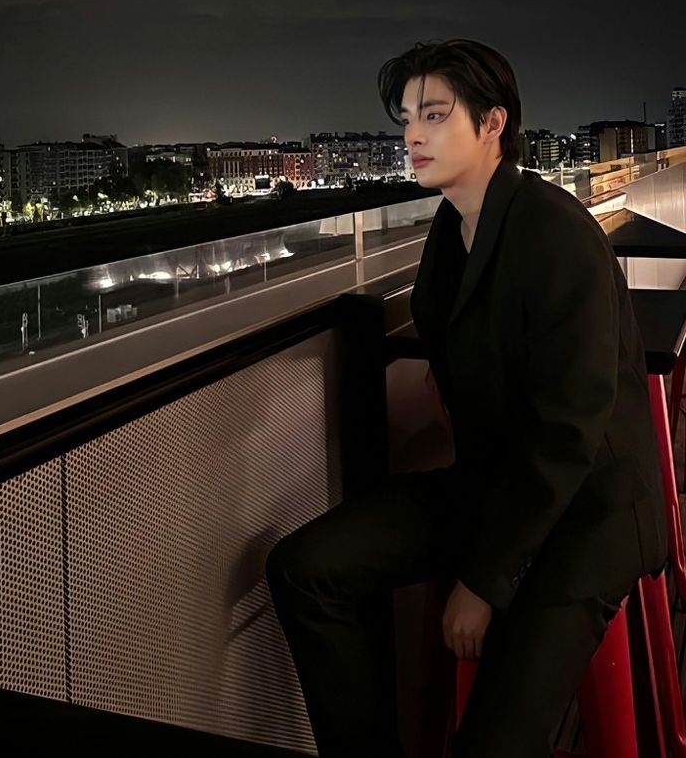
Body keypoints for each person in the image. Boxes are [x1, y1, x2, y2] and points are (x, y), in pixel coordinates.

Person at [265, 38, 668, 757]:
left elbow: (569, 429)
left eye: (435, 114)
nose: (411, 134)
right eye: (406, 118)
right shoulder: (454, 230)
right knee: (305, 568)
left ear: (492, 125)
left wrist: (483, 580)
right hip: (501, 492)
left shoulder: (553, 230)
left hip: (584, 516)